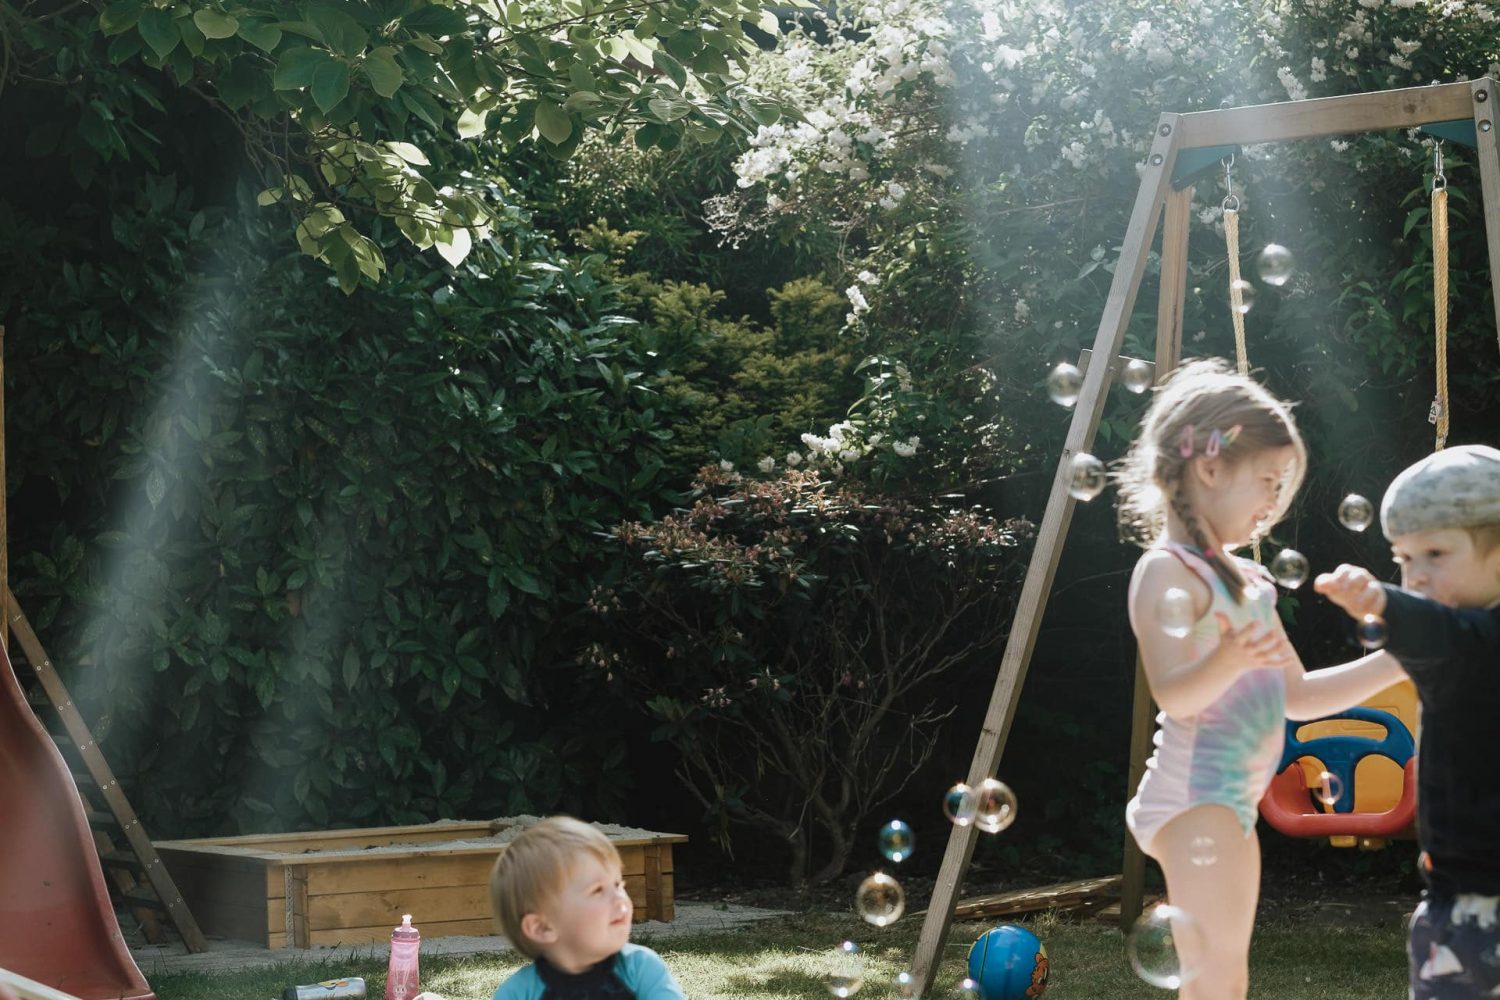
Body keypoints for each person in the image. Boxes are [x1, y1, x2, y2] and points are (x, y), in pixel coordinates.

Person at [1115, 359, 1407, 999]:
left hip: (1228, 805)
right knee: (1217, 971)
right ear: (1211, 468)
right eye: (1269, 481)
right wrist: (1226, 660)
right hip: (1194, 799)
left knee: (1220, 970)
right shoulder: (1168, 573)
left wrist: (1399, 659)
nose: (1275, 503)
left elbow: (1298, 699)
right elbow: (1173, 691)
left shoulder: (1248, 584)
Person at [1315, 443, 1500, 999]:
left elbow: (1435, 631)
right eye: (1402, 559)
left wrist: (1383, 601)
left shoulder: (1470, 641)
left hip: (1474, 907)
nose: (1415, 576)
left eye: (1436, 554)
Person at [489, 816, 686, 1000]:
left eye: (618, 885)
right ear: (542, 927)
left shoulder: (641, 970)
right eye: (598, 890)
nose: (620, 899)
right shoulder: (518, 993)